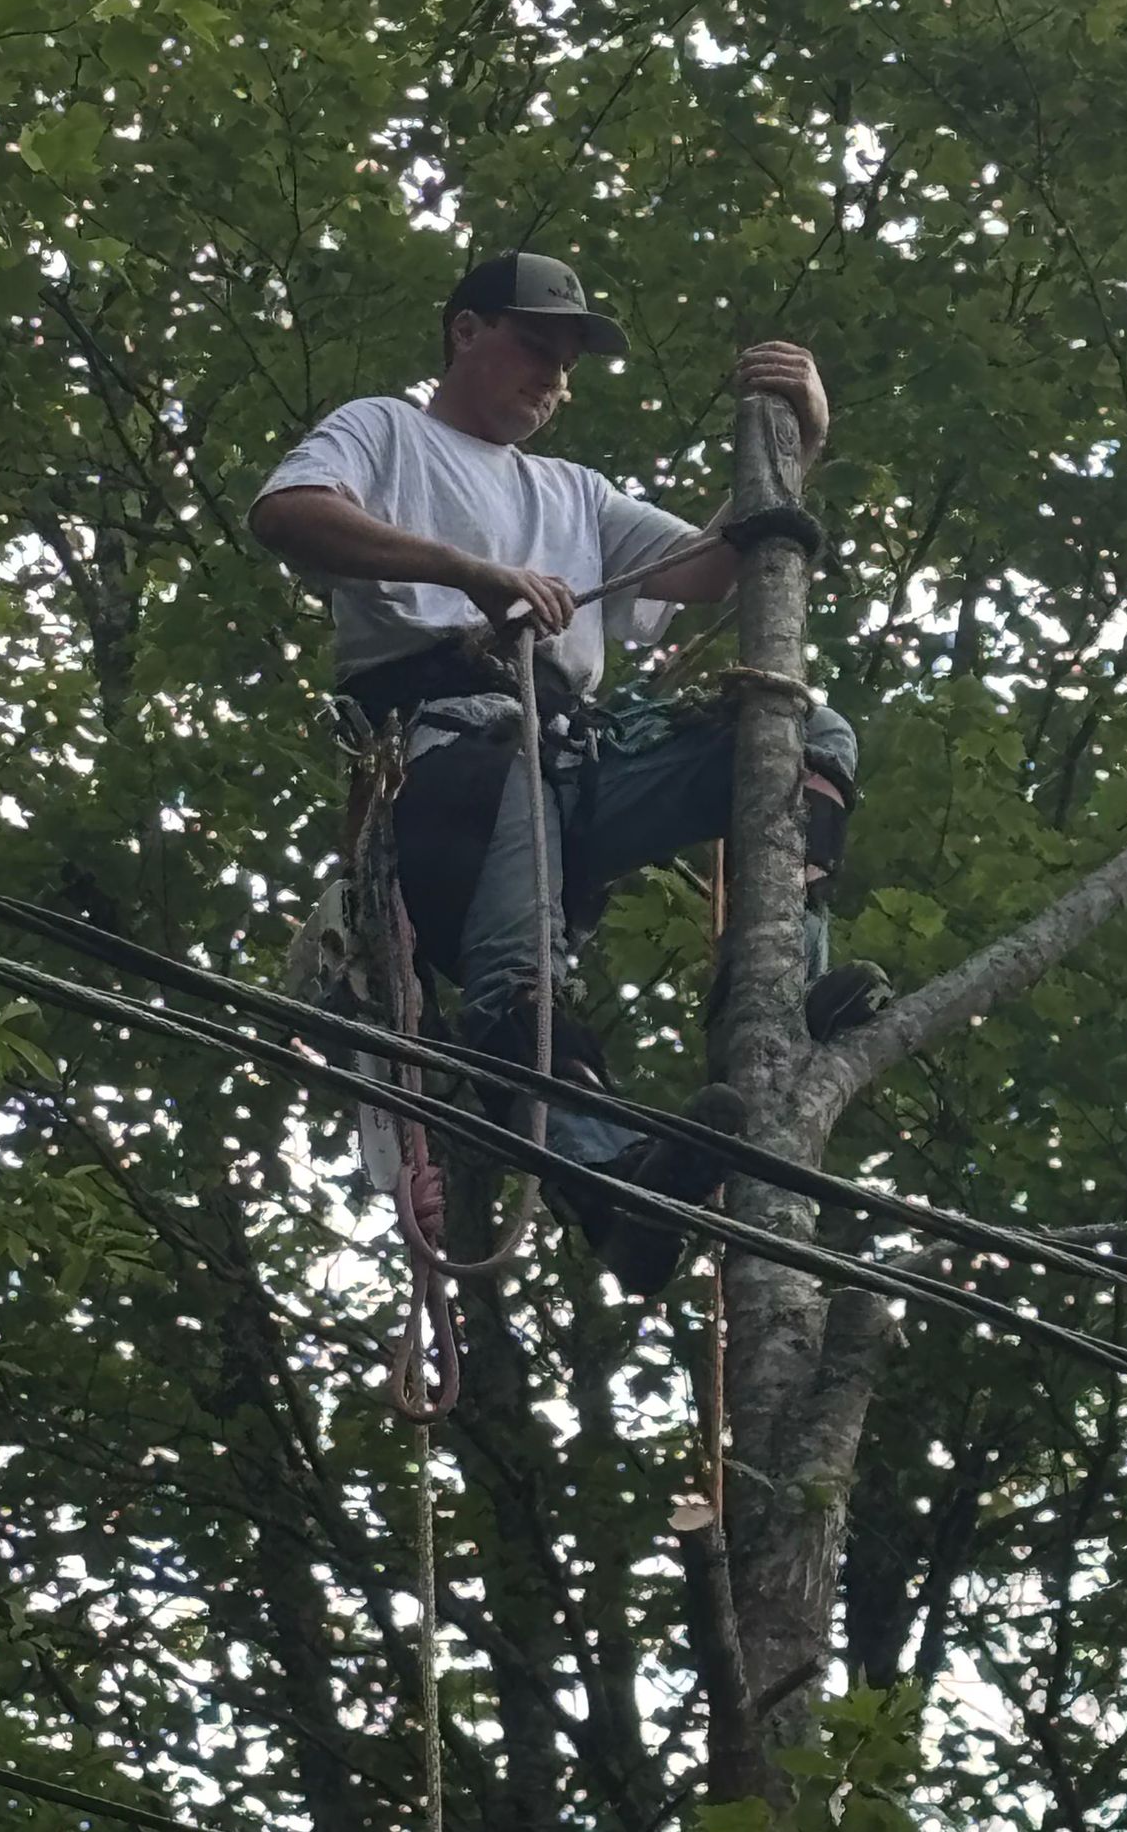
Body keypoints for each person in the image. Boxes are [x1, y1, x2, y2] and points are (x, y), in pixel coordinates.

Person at [249, 251, 881, 1291]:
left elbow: (715, 564)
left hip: (574, 754)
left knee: (811, 733)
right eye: (539, 350)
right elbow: (289, 512)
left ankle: (772, 995)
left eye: (569, 366)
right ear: (465, 332)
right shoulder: (388, 430)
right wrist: (467, 572)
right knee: (518, 980)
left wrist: (802, 440)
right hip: (450, 756)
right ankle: (612, 1189)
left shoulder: (573, 492)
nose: (555, 381)